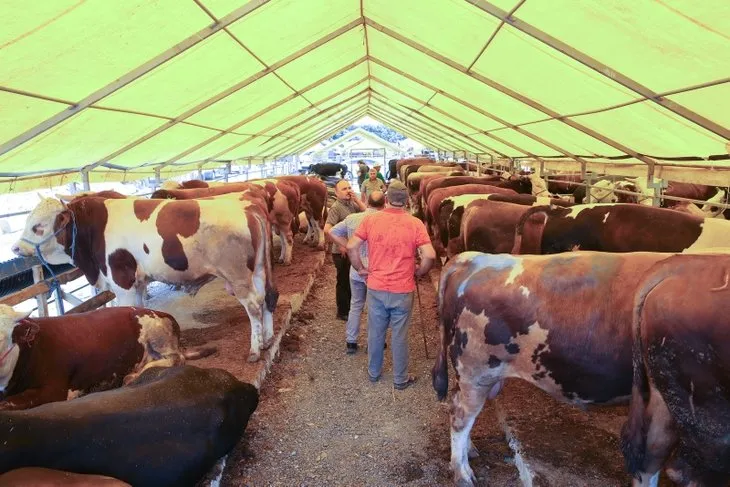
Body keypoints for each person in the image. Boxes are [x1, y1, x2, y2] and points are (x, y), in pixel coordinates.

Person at [346, 181, 436, 390]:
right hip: (402, 288)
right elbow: (430, 254)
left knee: (375, 331)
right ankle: (400, 378)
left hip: (376, 286)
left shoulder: (371, 220)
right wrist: (420, 271)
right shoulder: (415, 223)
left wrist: (360, 268)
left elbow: (352, 246)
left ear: (386, 199)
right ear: (406, 201)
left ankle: (374, 373)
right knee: (399, 334)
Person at [328, 190, 385, 354]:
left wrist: (346, 245)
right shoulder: (385, 220)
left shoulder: (353, 218)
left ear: (366, 201)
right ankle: (372, 342)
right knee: (375, 306)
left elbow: (331, 232)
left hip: (356, 265)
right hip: (375, 268)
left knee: (356, 303)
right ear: (384, 203)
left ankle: (351, 341)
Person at [324, 180, 366, 321]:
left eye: (349, 187)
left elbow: (368, 213)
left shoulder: (351, 204)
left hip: (351, 250)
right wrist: (342, 245)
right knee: (343, 281)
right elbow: (327, 229)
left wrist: (357, 199)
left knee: (350, 280)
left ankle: (350, 308)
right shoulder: (336, 208)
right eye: (343, 189)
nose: (348, 190)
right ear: (336, 193)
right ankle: (342, 311)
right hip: (340, 251)